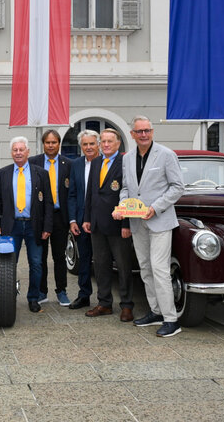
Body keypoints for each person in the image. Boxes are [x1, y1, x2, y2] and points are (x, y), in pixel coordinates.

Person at [113, 116, 184, 337]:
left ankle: (171, 319)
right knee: (145, 268)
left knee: (160, 269)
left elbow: (177, 187)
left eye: (147, 131)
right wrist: (123, 205)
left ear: (152, 132)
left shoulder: (166, 155)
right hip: (137, 222)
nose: (144, 135)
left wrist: (155, 207)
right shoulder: (127, 158)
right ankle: (156, 312)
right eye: (139, 131)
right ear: (132, 134)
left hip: (160, 220)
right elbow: (126, 187)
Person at [0, 137, 53, 313]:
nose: (18, 153)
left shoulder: (41, 173)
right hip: (11, 227)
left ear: (28, 152)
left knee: (36, 263)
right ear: (11, 153)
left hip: (35, 226)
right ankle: (8, 298)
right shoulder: (3, 173)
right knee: (8, 264)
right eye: (15, 150)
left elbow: (48, 202)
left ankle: (33, 298)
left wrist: (47, 227)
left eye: (21, 149)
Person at [82, 128, 134, 322]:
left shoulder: (125, 163)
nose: (105, 145)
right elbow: (91, 193)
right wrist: (87, 218)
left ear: (118, 144)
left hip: (118, 224)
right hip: (97, 224)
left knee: (123, 266)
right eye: (102, 141)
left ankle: (127, 305)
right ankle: (104, 303)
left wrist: (127, 223)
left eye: (109, 141)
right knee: (101, 265)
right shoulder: (96, 162)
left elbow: (130, 193)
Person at [29, 129, 71, 306]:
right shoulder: (33, 163)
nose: (51, 145)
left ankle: (61, 291)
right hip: (40, 217)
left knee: (59, 256)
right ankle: (41, 291)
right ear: (43, 144)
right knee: (40, 256)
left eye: (54, 142)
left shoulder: (69, 164)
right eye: (48, 142)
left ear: (59, 144)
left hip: (60, 216)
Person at [66, 130, 99, 310]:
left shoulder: (106, 163)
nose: (88, 147)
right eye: (85, 144)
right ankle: (84, 295)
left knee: (103, 261)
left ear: (98, 145)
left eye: (92, 144)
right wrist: (72, 220)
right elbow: (72, 195)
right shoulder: (76, 164)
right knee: (84, 260)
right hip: (80, 221)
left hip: (102, 222)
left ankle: (104, 299)